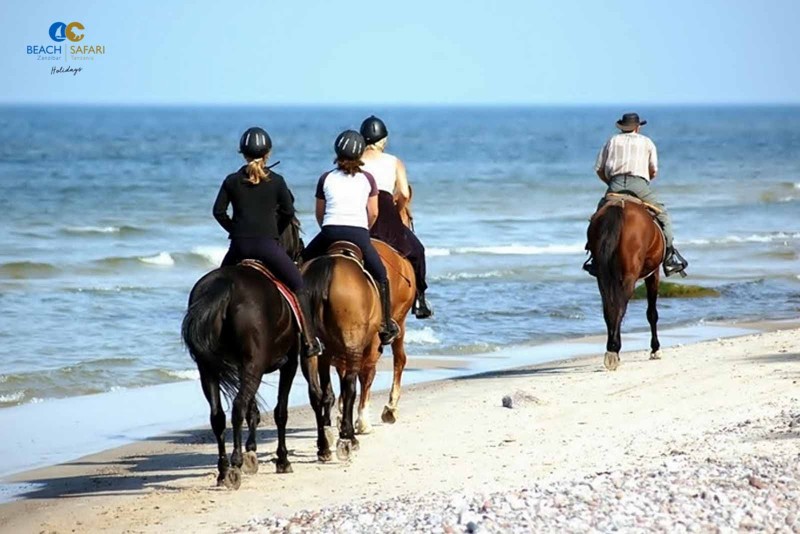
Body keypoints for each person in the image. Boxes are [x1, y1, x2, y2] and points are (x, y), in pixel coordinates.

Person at [213, 126, 323, 357]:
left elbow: (219, 212)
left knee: (217, 289)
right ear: (268, 153)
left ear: (243, 153)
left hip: (238, 247)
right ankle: (310, 341)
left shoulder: (231, 181)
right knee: (299, 286)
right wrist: (274, 232)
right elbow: (288, 211)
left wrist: (236, 230)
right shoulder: (277, 181)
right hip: (267, 247)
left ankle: (217, 340)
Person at [301, 130, 400, 346]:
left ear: (337, 152)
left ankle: (298, 322)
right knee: (381, 275)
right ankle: (385, 324)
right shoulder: (368, 179)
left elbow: (319, 212)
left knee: (301, 264)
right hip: (358, 234)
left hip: (329, 232)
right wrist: (364, 230)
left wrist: (328, 229)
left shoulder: (326, 178)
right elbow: (373, 212)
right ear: (360, 154)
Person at [585, 113, 688, 277]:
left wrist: (610, 183)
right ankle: (669, 258)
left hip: (615, 185)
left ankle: (594, 257)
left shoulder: (612, 141)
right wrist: (643, 183)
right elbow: (653, 171)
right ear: (637, 127)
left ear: (622, 127)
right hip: (639, 185)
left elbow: (599, 169)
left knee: (598, 216)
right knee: (663, 214)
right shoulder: (647, 142)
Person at [359, 115, 433, 319]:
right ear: (383, 140)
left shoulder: (353, 162)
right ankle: (420, 300)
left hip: (359, 214)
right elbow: (405, 194)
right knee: (417, 251)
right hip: (385, 215)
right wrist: (396, 210)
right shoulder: (393, 162)